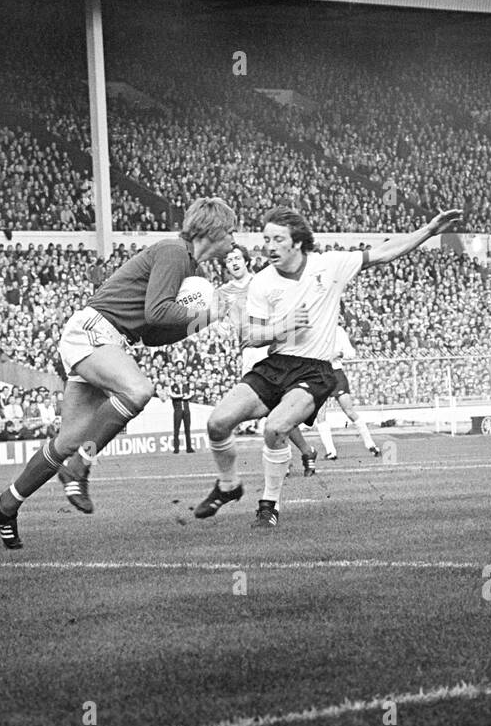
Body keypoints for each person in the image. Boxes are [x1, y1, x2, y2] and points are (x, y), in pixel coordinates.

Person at [0, 197, 236, 549]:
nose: (235, 240)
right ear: (215, 231)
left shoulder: (191, 269)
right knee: (137, 391)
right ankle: (80, 466)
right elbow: (159, 310)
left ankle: (5, 503)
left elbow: (151, 333)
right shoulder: (174, 252)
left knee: (67, 440)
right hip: (96, 330)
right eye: (232, 232)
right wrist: (207, 313)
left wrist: (201, 322)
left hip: (109, 338)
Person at [195, 204, 462, 528]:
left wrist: (429, 231)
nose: (269, 246)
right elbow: (248, 336)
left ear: (297, 241)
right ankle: (228, 485)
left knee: (276, 428)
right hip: (275, 364)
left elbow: (383, 253)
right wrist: (281, 327)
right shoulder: (263, 282)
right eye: (266, 239)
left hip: (315, 370)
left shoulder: (330, 265)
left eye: (278, 239)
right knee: (217, 423)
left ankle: (269, 505)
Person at [217, 243, 318, 476]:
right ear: (225, 266)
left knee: (274, 409)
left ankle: (288, 458)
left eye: (237, 258)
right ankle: (304, 451)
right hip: (248, 352)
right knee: (271, 410)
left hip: (269, 347)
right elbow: (221, 325)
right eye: (229, 260)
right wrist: (222, 327)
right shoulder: (223, 293)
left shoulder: (261, 282)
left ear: (246, 260)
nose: (233, 262)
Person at [316, 325, 380, 459]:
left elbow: (351, 353)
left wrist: (339, 354)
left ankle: (371, 444)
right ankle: (331, 451)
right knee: (320, 415)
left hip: (336, 374)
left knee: (349, 410)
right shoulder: (315, 328)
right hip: (319, 375)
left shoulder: (338, 330)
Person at [168, 372, 194, 453]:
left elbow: (190, 395)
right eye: (177, 377)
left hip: (186, 410)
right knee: (176, 429)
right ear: (174, 378)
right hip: (177, 410)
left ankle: (189, 448)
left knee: (187, 429)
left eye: (180, 377)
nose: (178, 378)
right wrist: (182, 396)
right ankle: (176, 448)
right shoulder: (172, 387)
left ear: (182, 378)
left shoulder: (186, 386)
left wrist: (181, 396)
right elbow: (172, 395)